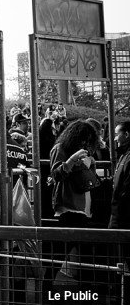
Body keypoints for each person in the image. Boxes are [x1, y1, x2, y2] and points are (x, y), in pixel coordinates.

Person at [49, 120, 100, 284]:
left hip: (84, 210)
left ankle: (87, 300)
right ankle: (45, 297)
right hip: (67, 210)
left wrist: (91, 164)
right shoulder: (60, 149)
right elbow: (56, 174)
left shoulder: (86, 153)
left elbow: (91, 180)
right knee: (56, 260)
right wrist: (71, 160)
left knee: (87, 262)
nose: (85, 143)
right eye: (83, 138)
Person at [110, 121, 130, 230]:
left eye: (117, 135)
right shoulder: (124, 155)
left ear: (126, 135)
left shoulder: (127, 157)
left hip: (122, 215)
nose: (115, 139)